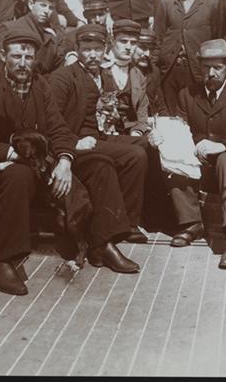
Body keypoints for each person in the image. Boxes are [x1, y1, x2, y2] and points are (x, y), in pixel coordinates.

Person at [0, 26, 139, 295]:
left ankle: (103, 244)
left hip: (41, 165)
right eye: (17, 56)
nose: (23, 63)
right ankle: (2, 261)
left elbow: (58, 129)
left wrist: (65, 161)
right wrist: (17, 156)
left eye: (29, 57)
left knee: (98, 164)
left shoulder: (40, 86)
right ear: (3, 57)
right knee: (19, 175)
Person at [149, 39, 226, 269]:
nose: (211, 73)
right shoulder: (187, 94)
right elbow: (180, 131)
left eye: (217, 68)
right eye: (206, 67)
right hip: (199, 161)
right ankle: (192, 222)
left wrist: (222, 145)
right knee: (171, 155)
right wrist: (162, 137)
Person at [49, 24, 150, 244]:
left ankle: (133, 215)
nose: (92, 55)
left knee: (144, 143)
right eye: (87, 49)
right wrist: (74, 142)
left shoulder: (104, 75)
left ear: (105, 50)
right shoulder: (63, 77)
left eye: (97, 49)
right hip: (77, 141)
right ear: (77, 50)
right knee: (135, 155)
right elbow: (52, 120)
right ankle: (125, 224)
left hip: (100, 134)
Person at [155, 0, 219, 113]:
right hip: (170, 70)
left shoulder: (212, 3)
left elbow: (217, 38)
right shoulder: (167, 2)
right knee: (170, 116)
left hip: (197, 70)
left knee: (196, 113)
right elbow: (158, 38)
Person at [0, 0, 65, 77]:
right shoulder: (11, 28)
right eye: (42, 5)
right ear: (31, 4)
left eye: (51, 7)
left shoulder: (54, 35)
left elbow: (58, 69)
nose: (46, 11)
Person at [101, 19, 151, 137]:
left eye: (133, 43)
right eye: (123, 41)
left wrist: (137, 131)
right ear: (112, 41)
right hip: (102, 129)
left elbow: (142, 111)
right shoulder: (100, 69)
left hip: (130, 130)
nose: (128, 47)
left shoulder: (138, 75)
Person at [61, 0, 113, 66]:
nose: (97, 19)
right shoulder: (72, 38)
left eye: (101, 14)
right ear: (85, 15)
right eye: (93, 15)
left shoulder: (114, 36)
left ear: (107, 13)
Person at [133, 28, 168, 116]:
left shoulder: (154, 71)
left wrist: (166, 120)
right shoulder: (122, 72)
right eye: (143, 48)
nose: (147, 54)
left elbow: (160, 105)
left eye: (151, 49)